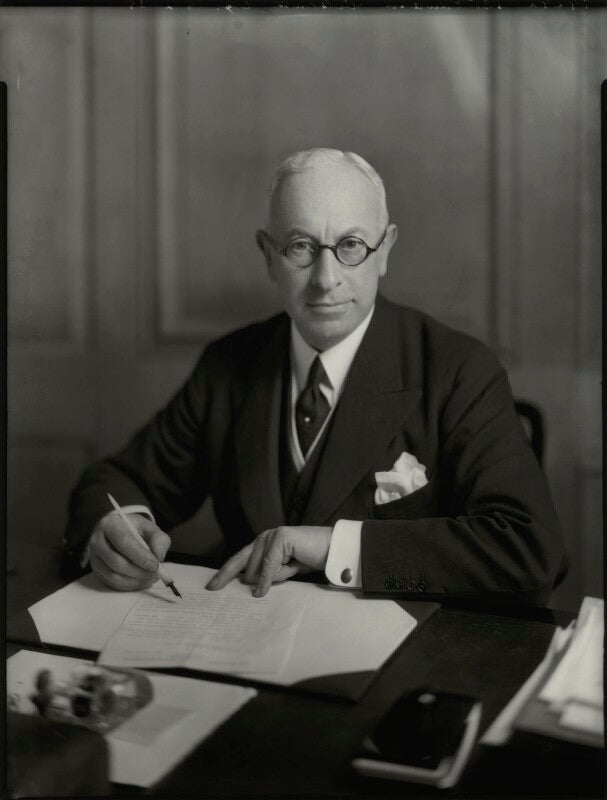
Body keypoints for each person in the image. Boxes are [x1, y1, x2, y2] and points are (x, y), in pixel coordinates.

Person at [64, 148, 564, 605]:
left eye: (351, 245)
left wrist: (335, 547)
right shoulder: (229, 365)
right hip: (247, 643)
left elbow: (529, 547)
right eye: (301, 246)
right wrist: (119, 524)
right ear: (268, 256)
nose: (326, 280)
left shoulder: (458, 370)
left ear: (385, 250)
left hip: (400, 655)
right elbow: (117, 481)